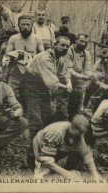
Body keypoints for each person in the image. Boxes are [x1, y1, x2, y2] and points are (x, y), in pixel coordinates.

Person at [24, 36, 72, 169]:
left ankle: (45, 156)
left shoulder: (59, 58)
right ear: (54, 44)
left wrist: (68, 82)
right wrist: (65, 87)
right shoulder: (45, 57)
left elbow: (64, 74)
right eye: (62, 45)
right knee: (36, 123)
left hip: (44, 91)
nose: (65, 48)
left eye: (67, 46)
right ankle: (31, 160)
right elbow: (51, 82)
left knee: (48, 121)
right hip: (31, 88)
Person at [33, 114, 101, 179]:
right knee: (40, 175)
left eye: (82, 133)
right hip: (41, 146)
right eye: (80, 132)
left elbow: (86, 154)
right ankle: (44, 169)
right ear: (72, 127)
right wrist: (66, 174)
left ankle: (66, 169)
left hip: (57, 146)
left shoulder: (78, 133)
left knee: (77, 153)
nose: (81, 135)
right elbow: (46, 159)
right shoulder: (56, 133)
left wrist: (96, 175)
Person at [5, 15, 44, 109]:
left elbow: (43, 57)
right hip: (15, 72)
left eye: (28, 24)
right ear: (18, 25)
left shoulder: (37, 39)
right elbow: (7, 55)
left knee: (30, 96)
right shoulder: (13, 38)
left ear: (32, 25)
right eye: (23, 24)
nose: (25, 27)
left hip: (31, 72)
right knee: (11, 95)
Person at [65, 33, 93, 120]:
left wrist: (91, 75)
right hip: (67, 79)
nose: (83, 44)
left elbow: (87, 69)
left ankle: (75, 121)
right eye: (81, 41)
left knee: (77, 104)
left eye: (86, 43)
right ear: (76, 40)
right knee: (65, 105)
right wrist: (83, 76)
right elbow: (69, 70)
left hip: (79, 81)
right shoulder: (68, 51)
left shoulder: (87, 54)